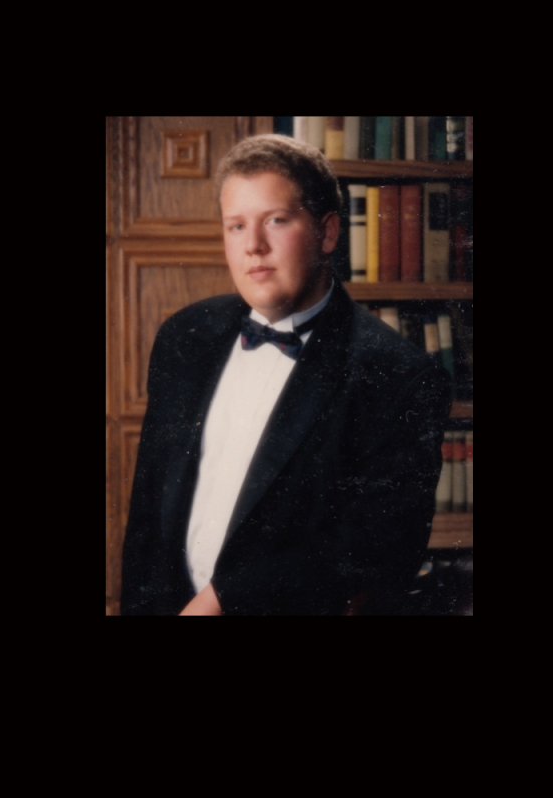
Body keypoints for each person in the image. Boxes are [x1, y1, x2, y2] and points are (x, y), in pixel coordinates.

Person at [120, 134, 451, 616]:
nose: (253, 246)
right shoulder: (184, 336)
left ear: (328, 233)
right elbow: (148, 518)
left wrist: (223, 600)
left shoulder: (396, 373)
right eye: (236, 226)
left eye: (276, 220)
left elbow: (381, 547)